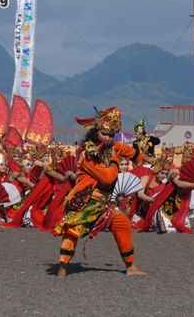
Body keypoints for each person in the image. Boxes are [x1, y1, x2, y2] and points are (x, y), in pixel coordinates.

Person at [53, 106, 146, 278]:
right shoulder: (88, 154)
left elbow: (125, 149)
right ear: (96, 133)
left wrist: (141, 157)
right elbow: (108, 178)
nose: (109, 138)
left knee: (122, 224)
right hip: (85, 201)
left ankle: (131, 267)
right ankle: (62, 269)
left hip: (103, 204)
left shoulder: (110, 147)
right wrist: (116, 160)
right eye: (105, 134)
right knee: (73, 230)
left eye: (112, 135)